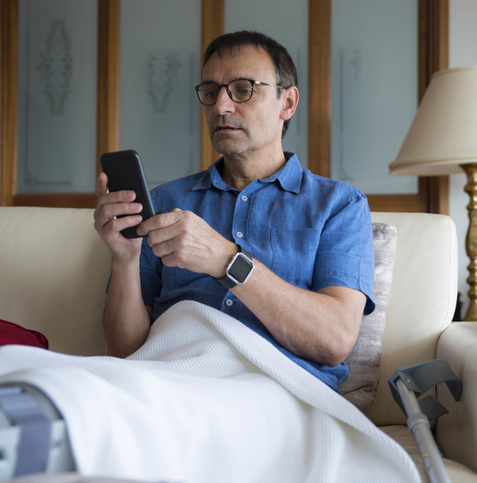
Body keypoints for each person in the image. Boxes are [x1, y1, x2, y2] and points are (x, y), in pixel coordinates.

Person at [93, 30, 375, 392]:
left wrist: (226, 260)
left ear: (287, 103)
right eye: (211, 92)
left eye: (243, 89)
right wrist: (124, 258)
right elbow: (125, 351)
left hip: (275, 390)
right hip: (168, 381)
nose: (221, 107)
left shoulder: (340, 205)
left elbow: (333, 341)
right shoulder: (163, 202)